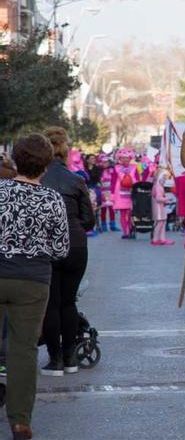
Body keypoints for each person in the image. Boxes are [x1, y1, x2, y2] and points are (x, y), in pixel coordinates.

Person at [0, 134, 70, 440]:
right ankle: (20, 421)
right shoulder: (52, 199)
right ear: (45, 165)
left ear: (15, 160)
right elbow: (60, 248)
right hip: (32, 280)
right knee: (23, 350)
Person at [39, 127, 95, 377]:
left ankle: (55, 359)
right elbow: (89, 220)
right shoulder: (76, 180)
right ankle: (71, 356)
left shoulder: (36, 180)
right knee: (68, 301)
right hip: (75, 245)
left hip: (46, 246)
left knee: (51, 304)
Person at [112, 148, 140, 239]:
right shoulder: (116, 168)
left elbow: (138, 179)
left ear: (130, 158)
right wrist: (112, 195)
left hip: (132, 193)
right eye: (123, 158)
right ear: (119, 159)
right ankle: (125, 232)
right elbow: (113, 181)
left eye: (127, 158)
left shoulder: (134, 168)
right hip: (120, 194)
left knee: (131, 213)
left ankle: (131, 229)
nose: (125, 160)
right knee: (123, 213)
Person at [150, 164, 174, 246]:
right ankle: (155, 239)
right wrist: (167, 199)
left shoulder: (157, 186)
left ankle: (162, 238)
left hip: (160, 207)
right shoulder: (158, 187)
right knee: (160, 223)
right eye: (164, 178)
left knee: (162, 223)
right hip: (159, 208)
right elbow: (158, 199)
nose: (165, 180)